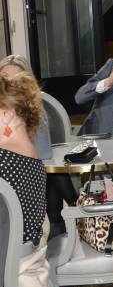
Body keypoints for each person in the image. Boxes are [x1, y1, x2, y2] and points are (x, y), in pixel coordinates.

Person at [0, 73, 59, 287]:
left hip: (5, 278)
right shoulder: (33, 162)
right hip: (23, 269)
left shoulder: (4, 163)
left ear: (6, 114)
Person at [0, 55, 77, 239]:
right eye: (5, 77)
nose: (10, 85)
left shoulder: (9, 160)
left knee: (50, 175)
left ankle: (70, 213)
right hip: (27, 239)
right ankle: (73, 210)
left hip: (14, 246)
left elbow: (43, 153)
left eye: (16, 80)